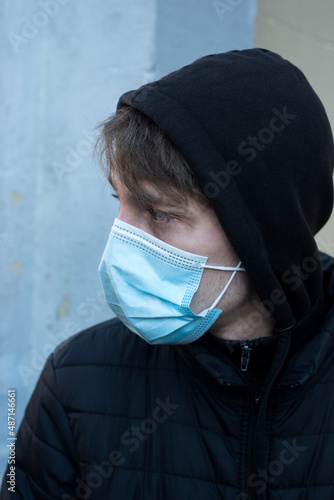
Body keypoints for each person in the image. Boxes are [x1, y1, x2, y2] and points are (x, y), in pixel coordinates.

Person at [2, 48, 334, 500]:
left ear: (263, 230)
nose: (122, 238)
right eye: (118, 202)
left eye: (159, 213)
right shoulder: (75, 383)